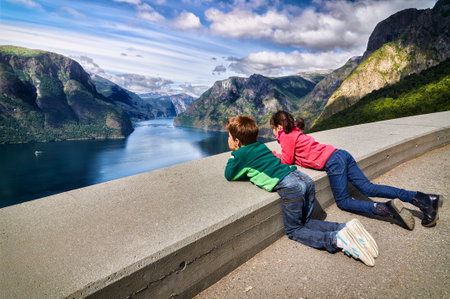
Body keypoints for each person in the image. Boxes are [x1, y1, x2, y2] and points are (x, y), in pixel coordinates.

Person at [224, 115, 378, 266]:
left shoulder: (240, 155)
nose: (228, 139)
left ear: (237, 141)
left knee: (294, 230)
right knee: (306, 222)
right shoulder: (261, 146)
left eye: (230, 136)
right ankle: (345, 228)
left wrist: (234, 153)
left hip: (290, 186)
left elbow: (230, 175)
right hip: (303, 178)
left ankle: (336, 240)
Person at [270, 110, 441, 230]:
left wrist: (273, 154)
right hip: (341, 154)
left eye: (273, 129)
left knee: (344, 202)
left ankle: (386, 209)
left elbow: (286, 160)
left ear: (278, 127)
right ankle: (424, 198)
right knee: (369, 188)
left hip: (333, 163)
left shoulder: (285, 136)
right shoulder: (296, 131)